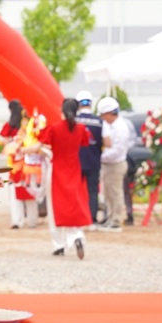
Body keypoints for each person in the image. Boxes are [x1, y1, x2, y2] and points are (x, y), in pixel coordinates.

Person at [27, 98, 91, 257]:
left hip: (56, 170)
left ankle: (58, 244)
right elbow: (86, 143)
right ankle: (77, 236)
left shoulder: (54, 128)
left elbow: (39, 146)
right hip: (74, 170)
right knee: (73, 204)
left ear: (62, 110)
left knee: (54, 208)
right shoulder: (81, 128)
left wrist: (23, 150)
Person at [0, 100, 38, 229]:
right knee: (30, 189)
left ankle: (17, 221)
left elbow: (3, 142)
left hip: (14, 164)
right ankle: (32, 221)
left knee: (15, 192)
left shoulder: (8, 126)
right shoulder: (28, 126)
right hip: (29, 163)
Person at [98, 96, 133, 232]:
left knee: (115, 193)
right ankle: (110, 218)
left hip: (115, 164)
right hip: (108, 164)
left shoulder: (121, 128)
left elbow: (117, 150)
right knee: (107, 193)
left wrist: (99, 157)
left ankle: (117, 220)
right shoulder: (110, 125)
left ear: (108, 113)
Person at [74, 90, 103, 228]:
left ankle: (77, 217)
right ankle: (92, 219)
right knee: (93, 191)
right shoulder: (99, 121)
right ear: (91, 103)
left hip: (76, 162)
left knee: (76, 190)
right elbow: (106, 142)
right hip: (94, 162)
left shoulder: (73, 121)